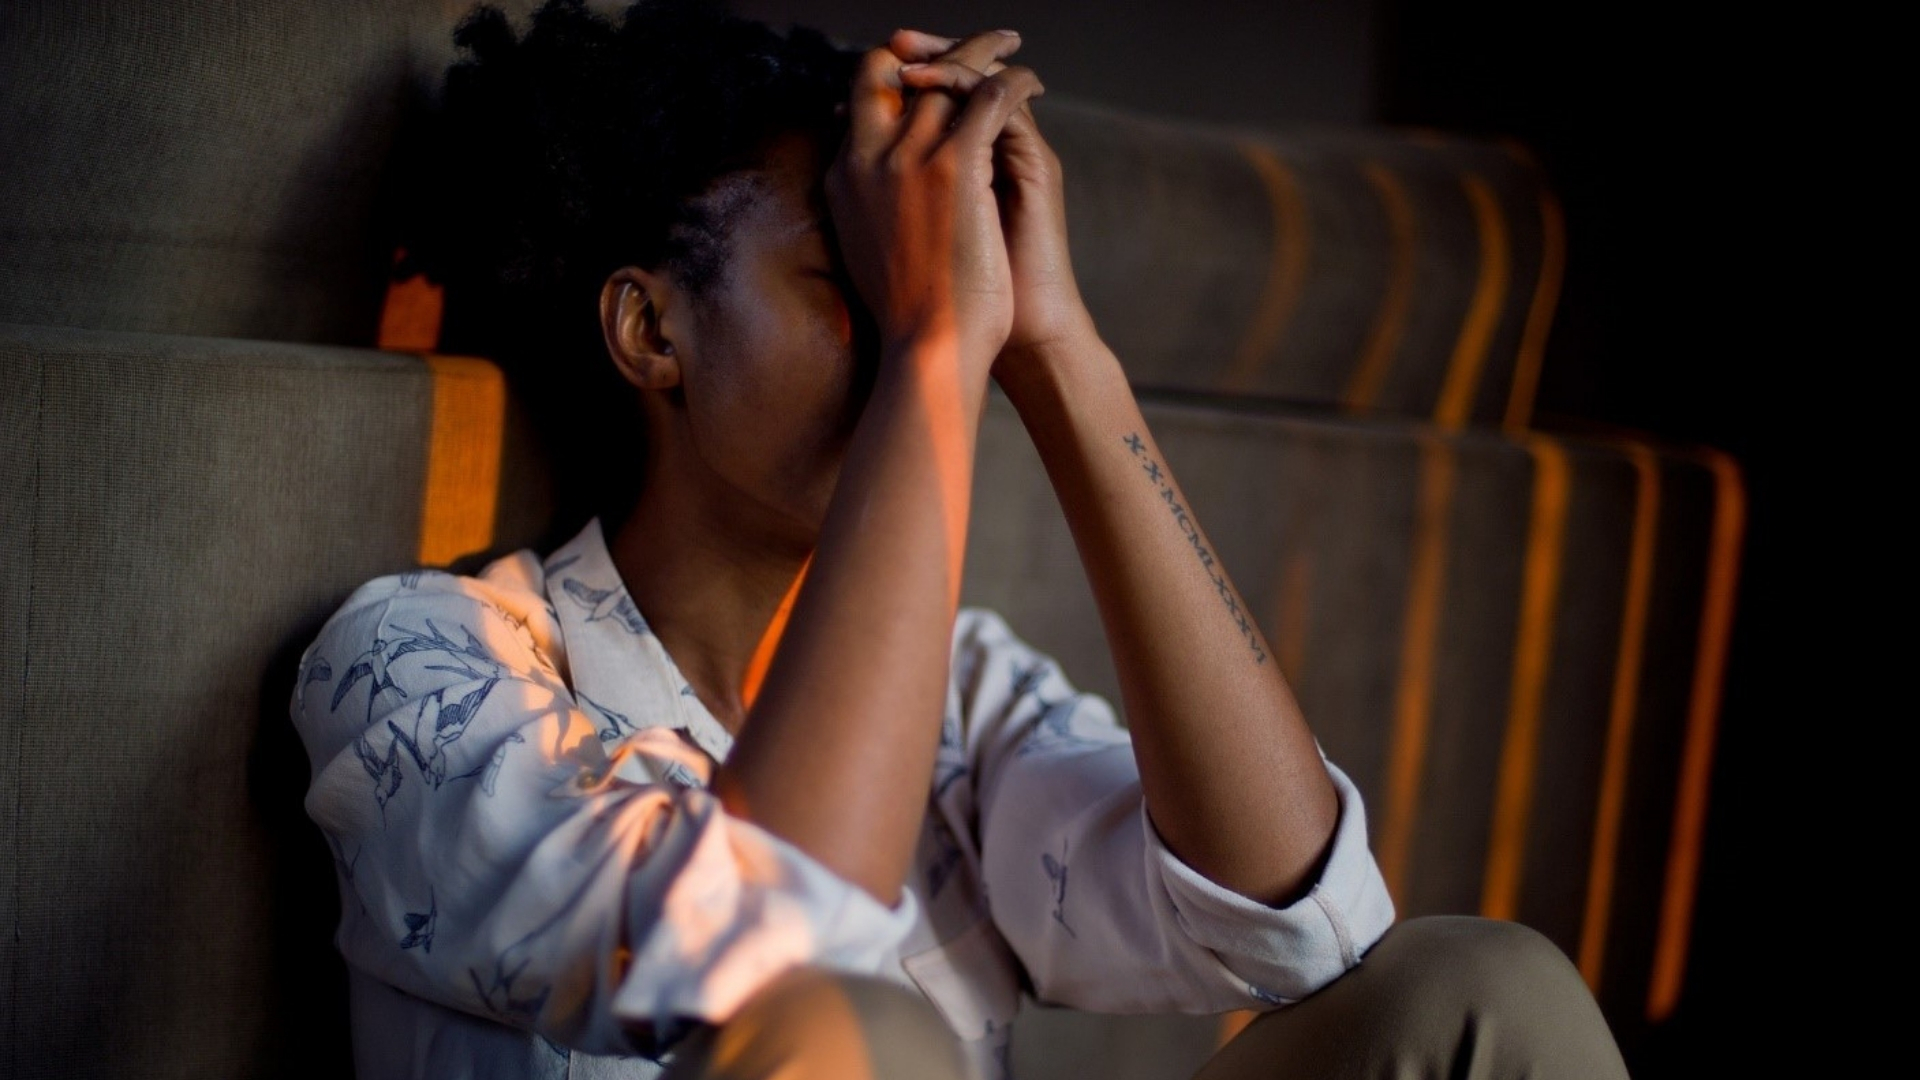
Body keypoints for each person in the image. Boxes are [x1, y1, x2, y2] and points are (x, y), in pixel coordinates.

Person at [289, 2, 1632, 1078]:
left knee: (1479, 993)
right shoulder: (420, 665)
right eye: (853, 277)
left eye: (926, 281)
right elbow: (779, 941)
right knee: (856, 1032)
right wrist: (933, 344)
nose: (919, 318)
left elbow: (1303, 925)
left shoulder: (963, 685)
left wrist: (1056, 349)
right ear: (653, 332)